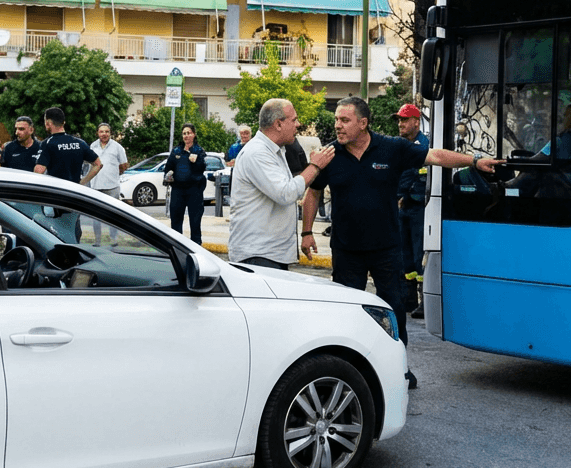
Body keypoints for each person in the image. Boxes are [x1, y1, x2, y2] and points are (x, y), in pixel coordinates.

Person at [301, 96, 502, 389]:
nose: (338, 126)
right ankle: (350, 372)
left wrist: (473, 161)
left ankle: (399, 368)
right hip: (347, 251)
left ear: (363, 123)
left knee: (394, 310)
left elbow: (435, 156)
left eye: (344, 120)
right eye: (337, 120)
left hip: (386, 249)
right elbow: (313, 193)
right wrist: (307, 231)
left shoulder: (392, 148)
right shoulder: (330, 154)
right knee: (347, 314)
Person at [228, 99, 335, 270]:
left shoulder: (276, 151)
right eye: (293, 120)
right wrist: (315, 165)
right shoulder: (257, 153)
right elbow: (286, 193)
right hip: (258, 256)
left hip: (269, 254)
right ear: (278, 124)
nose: (298, 124)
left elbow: (293, 189)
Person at [394, 103, 430, 319]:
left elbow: (410, 173)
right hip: (405, 206)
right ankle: (409, 299)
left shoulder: (421, 144)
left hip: (418, 207)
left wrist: (399, 194)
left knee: (419, 255)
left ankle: (425, 301)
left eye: (404, 120)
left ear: (416, 122)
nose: (400, 124)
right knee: (405, 254)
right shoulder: (401, 144)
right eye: (399, 120)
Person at [34, 107, 102, 185]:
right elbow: (98, 164)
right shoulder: (79, 142)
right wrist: (83, 182)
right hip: (75, 191)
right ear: (64, 122)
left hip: (57, 191)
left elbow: (39, 171)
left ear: (48, 123)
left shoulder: (48, 143)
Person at [165, 123, 207, 244]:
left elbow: (202, 169)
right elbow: (168, 167)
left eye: (189, 133)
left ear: (194, 134)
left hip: (194, 190)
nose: (186, 136)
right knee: (176, 221)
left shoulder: (199, 151)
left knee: (195, 221)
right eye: (184, 133)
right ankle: (177, 246)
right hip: (178, 190)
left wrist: (196, 161)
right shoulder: (176, 151)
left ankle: (196, 247)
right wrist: (168, 175)